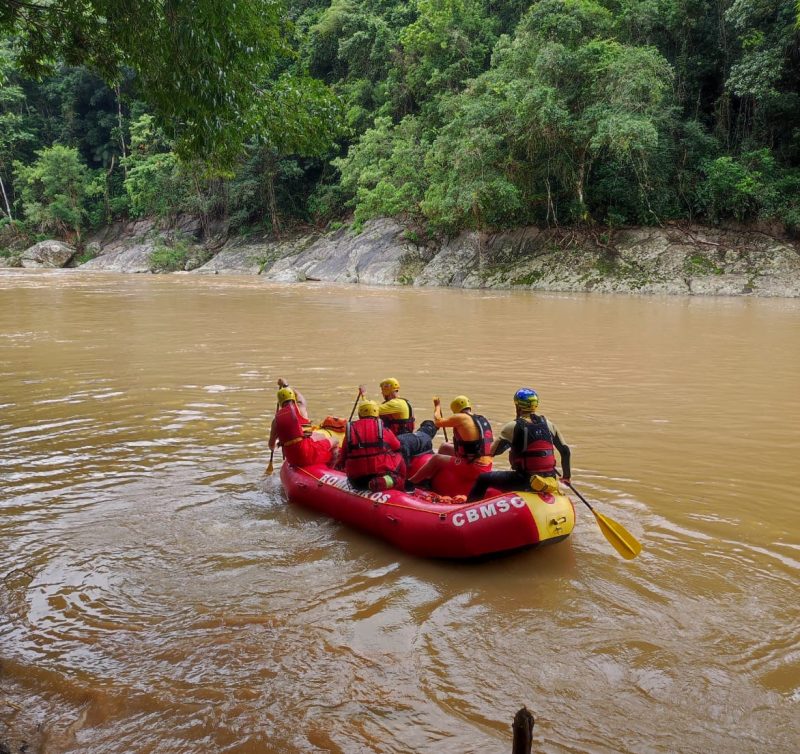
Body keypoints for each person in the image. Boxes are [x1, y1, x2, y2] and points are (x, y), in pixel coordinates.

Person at [466, 388, 571, 502]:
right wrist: (566, 477)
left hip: (525, 480)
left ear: (517, 406)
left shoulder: (513, 426)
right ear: (535, 406)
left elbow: (493, 452)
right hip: (550, 478)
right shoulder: (549, 424)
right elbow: (565, 451)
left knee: (483, 478)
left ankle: (468, 508)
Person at [408, 395, 493, 496]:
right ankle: (431, 477)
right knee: (445, 446)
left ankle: (410, 483)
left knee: (436, 458)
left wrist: (437, 406)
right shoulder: (480, 419)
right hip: (486, 464)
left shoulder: (460, 417)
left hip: (474, 467)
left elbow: (438, 422)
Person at [339, 400, 406, 492]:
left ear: (359, 415)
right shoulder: (383, 429)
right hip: (379, 475)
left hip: (356, 482)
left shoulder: (350, 431)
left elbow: (343, 458)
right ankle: (394, 484)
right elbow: (397, 447)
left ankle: (379, 482)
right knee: (399, 455)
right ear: (377, 414)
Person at [268, 379, 338, 468]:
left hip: (292, 459)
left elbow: (271, 445)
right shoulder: (301, 409)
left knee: (320, 436)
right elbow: (301, 398)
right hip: (307, 455)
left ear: (280, 402)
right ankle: (332, 468)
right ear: (293, 397)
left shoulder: (275, 421)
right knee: (335, 440)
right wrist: (286, 385)